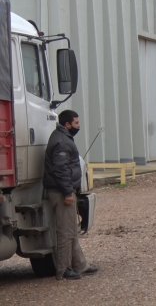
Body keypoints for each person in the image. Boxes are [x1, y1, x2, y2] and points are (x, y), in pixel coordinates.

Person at [43, 110, 98, 280]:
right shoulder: (61, 142)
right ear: (67, 124)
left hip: (64, 190)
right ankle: (63, 269)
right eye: (76, 123)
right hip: (61, 192)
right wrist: (67, 192)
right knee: (66, 232)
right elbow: (60, 170)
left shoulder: (63, 137)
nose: (78, 126)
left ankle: (79, 265)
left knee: (72, 230)